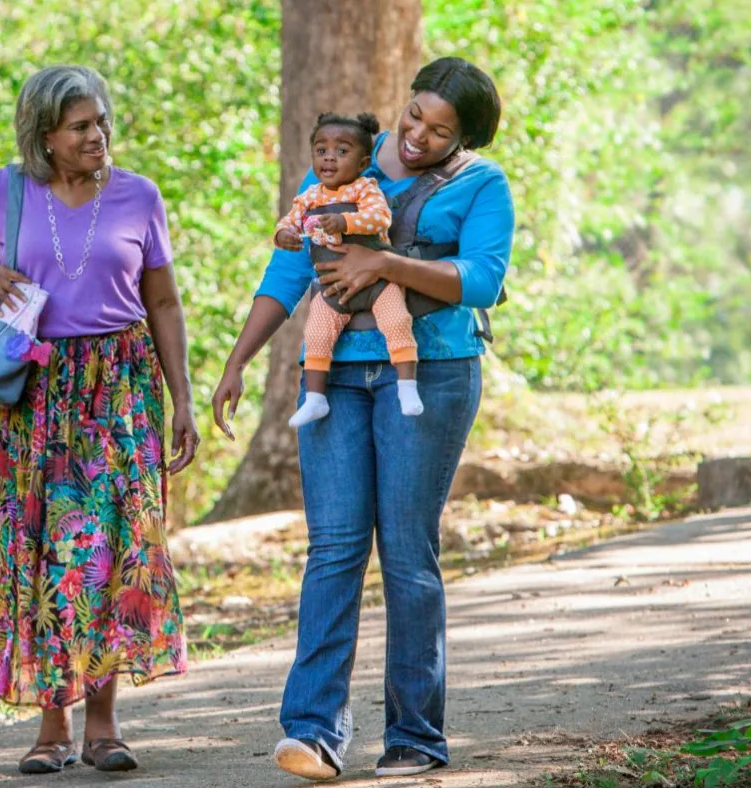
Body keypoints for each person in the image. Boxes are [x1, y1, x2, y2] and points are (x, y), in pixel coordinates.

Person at [212, 56, 514, 780]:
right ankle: (313, 730)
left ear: (464, 137)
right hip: (334, 377)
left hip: (430, 371)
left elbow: (483, 279)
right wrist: (238, 360)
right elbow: (289, 272)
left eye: (439, 131)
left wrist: (385, 266)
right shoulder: (342, 159)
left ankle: (414, 737)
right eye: (415, 115)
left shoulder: (481, 185)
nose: (417, 136)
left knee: (408, 553)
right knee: (334, 548)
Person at [0, 64, 197, 775]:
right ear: (45, 136)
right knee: (43, 554)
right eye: (81, 126)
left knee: (111, 553)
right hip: (34, 394)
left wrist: (183, 399)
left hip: (119, 390)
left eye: (102, 121)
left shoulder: (141, 196)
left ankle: (104, 726)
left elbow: (164, 305)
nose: (97, 135)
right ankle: (50, 730)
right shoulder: (6, 191)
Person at [274, 111, 424, 429]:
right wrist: (283, 235)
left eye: (342, 152)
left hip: (378, 282)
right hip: (333, 288)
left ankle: (407, 387)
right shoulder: (309, 197)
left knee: (397, 320)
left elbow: (380, 218)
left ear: (361, 163)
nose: (329, 158)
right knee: (316, 333)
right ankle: (316, 398)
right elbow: (289, 221)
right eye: (321, 150)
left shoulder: (364, 189)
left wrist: (345, 221)